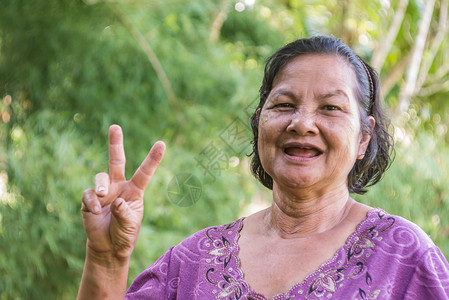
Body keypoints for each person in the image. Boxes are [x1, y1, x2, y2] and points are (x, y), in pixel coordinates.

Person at [77, 36, 449, 299]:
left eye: (330, 108)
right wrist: (107, 259)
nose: (302, 123)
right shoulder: (193, 261)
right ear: (259, 125)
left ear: (364, 138)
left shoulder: (404, 256)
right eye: (284, 104)